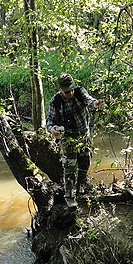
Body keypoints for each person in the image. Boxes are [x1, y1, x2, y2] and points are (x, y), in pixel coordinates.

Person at [46, 74, 105, 208]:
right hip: (68, 137)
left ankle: (80, 186)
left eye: (71, 89)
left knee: (86, 162)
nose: (70, 93)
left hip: (84, 135)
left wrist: (96, 103)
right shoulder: (55, 102)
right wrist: (52, 129)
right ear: (59, 88)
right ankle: (70, 197)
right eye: (67, 91)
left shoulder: (80, 92)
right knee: (70, 167)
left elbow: (90, 100)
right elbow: (50, 120)